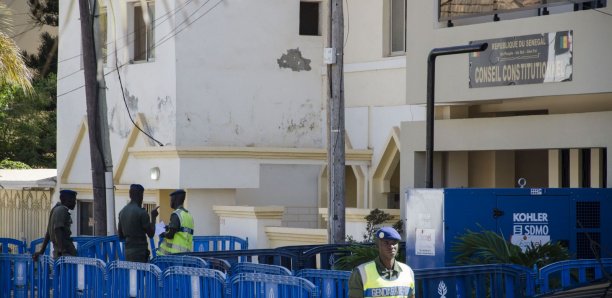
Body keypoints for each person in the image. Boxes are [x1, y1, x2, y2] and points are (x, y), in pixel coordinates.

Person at [348, 226, 415, 298]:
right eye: (386, 243)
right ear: (377, 246)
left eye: (394, 242)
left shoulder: (408, 272)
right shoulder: (361, 273)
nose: (391, 246)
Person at [33, 189, 78, 261]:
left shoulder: (55, 209)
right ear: (68, 200)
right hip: (65, 253)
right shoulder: (62, 210)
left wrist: (41, 251)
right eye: (74, 200)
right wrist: (61, 250)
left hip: (59, 253)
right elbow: (57, 229)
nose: (75, 203)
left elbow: (48, 233)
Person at [118, 184, 158, 262]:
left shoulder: (122, 212)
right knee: (140, 274)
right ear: (141, 195)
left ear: (130, 194)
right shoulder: (142, 212)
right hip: (140, 253)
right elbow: (151, 234)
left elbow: (120, 236)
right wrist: (153, 217)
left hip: (127, 252)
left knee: (131, 274)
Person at [156, 189, 194, 255]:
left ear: (175, 200)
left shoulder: (176, 214)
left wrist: (162, 233)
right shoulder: (188, 215)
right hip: (186, 253)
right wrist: (168, 227)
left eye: (171, 200)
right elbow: (181, 230)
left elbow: (170, 235)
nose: (170, 202)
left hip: (174, 255)